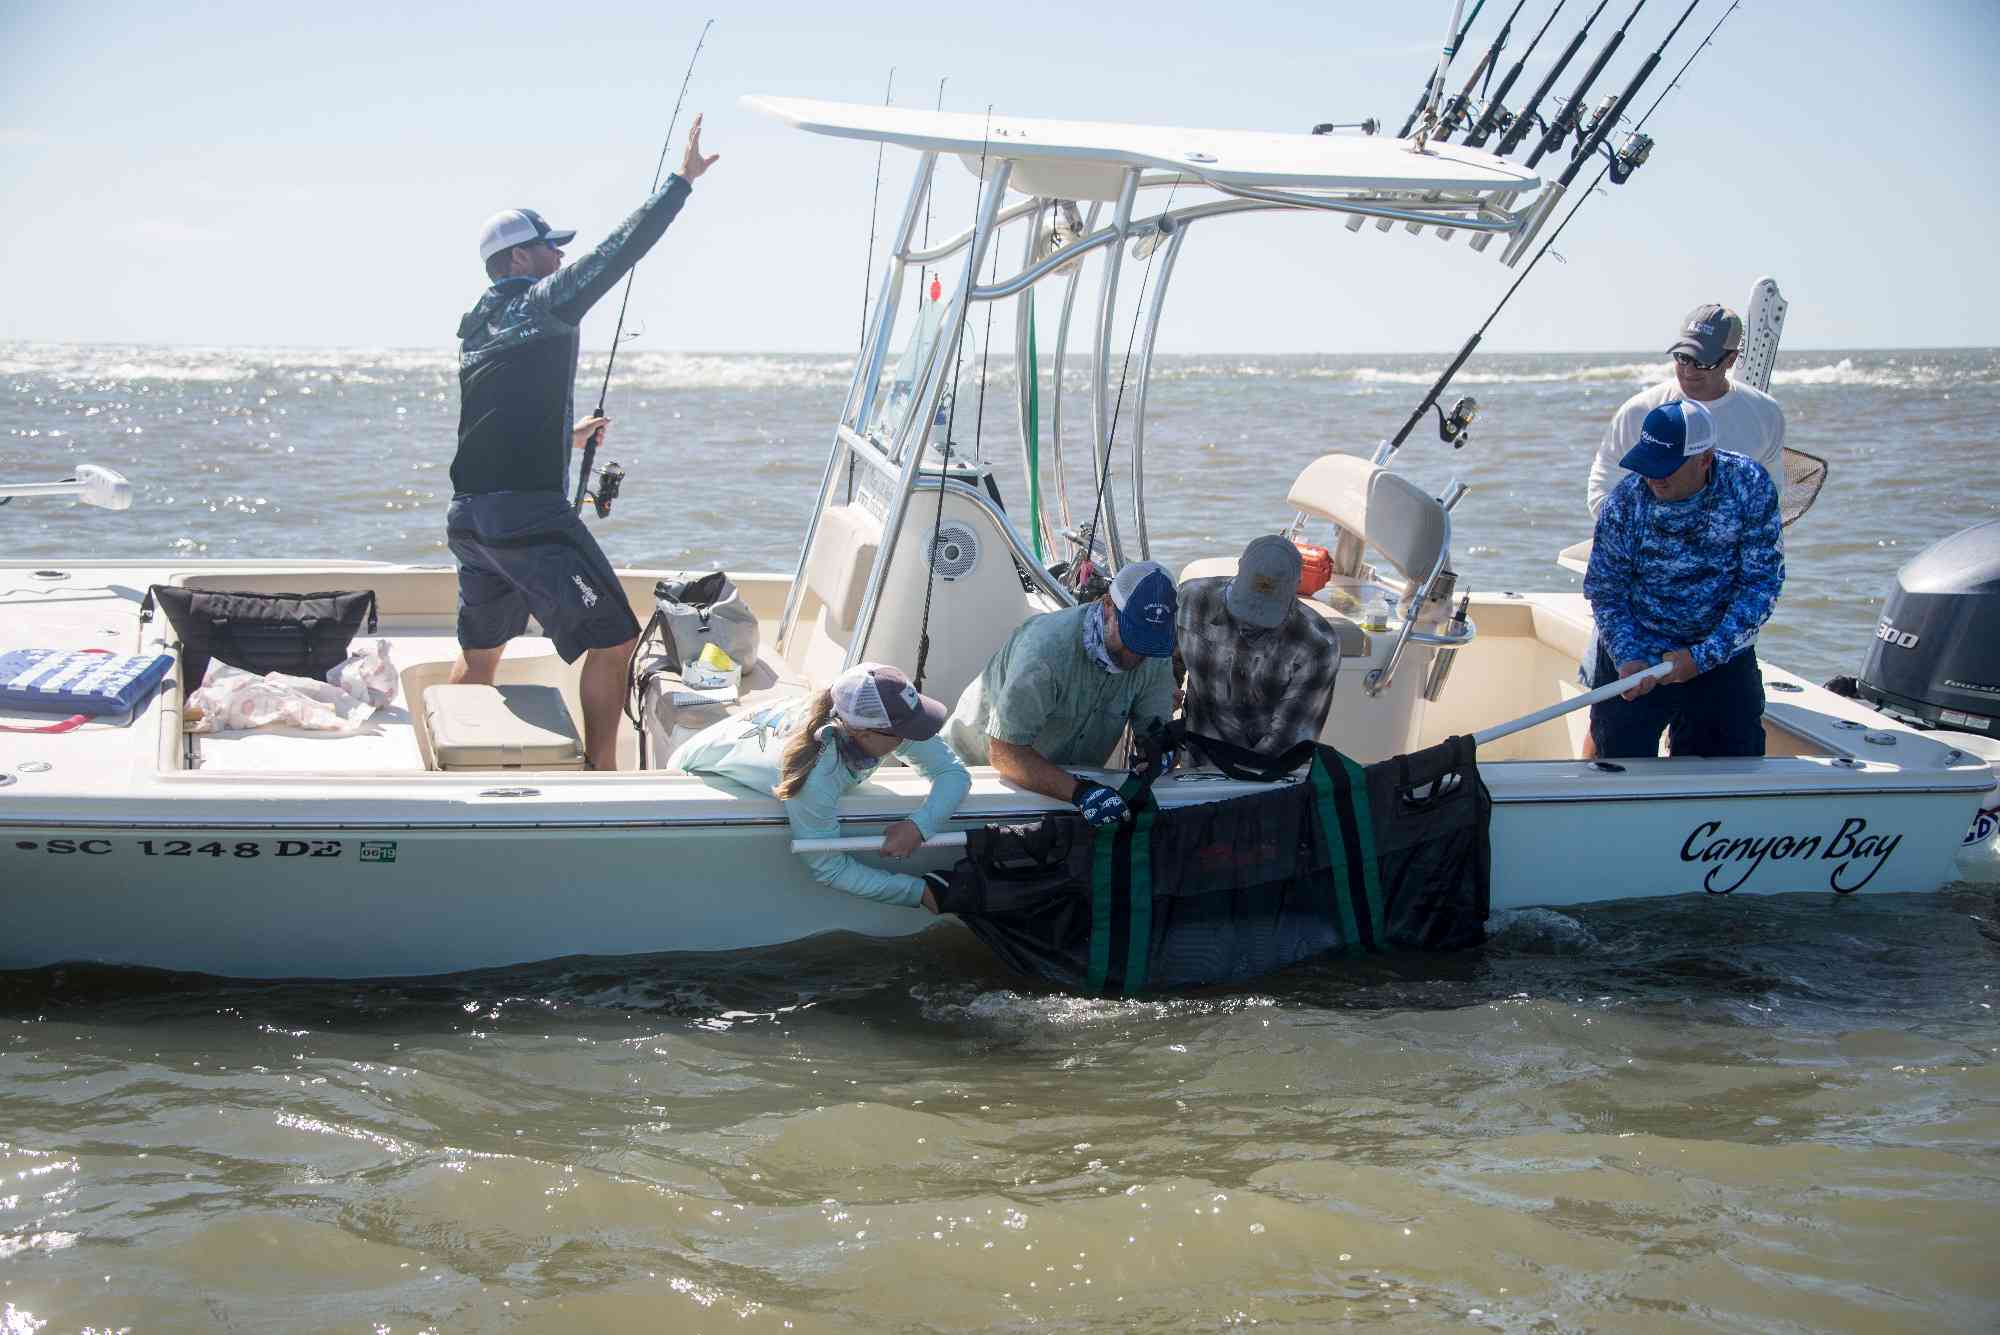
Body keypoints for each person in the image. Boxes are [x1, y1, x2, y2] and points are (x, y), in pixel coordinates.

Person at [446, 117, 720, 771]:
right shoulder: (540, 304)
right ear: (519, 260)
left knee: (479, 657)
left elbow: (490, 418)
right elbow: (616, 255)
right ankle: (603, 774)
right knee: (617, 637)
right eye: (549, 250)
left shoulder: (474, 328)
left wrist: (560, 438)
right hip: (526, 520)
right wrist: (680, 184)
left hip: (471, 522)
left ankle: (451, 764)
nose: (561, 260)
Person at [671, 663, 968, 912]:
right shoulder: (816, 774)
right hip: (690, 774)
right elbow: (828, 866)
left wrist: (920, 826)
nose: (914, 736)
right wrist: (919, 892)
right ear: (864, 732)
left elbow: (952, 773)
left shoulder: (869, 696)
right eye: (905, 731)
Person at [1583, 398, 1785, 759]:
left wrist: (1703, 656)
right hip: (1637, 655)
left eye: (1668, 467)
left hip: (1720, 655)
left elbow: (1761, 584)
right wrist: (1628, 657)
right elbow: (1606, 592)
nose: (1654, 477)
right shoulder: (1624, 505)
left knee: (1730, 777)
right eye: (1648, 465)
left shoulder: (1750, 486)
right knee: (1615, 770)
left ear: (1704, 459)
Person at [945, 561, 1178, 828]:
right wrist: (1081, 793)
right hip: (975, 773)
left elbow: (1156, 734)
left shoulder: (1155, 655)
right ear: (1107, 605)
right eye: (1132, 637)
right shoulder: (1045, 653)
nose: (1137, 654)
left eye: (1150, 642)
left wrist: (1162, 753)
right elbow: (1004, 753)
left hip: (1068, 782)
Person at [1587, 303, 1786, 520]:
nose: (1689, 369)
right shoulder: (1639, 411)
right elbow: (1602, 487)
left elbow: (1770, 491)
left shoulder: (1766, 413)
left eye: (1703, 361)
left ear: (1731, 360)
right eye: (1683, 357)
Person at [1175, 535, 1341, 760]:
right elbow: (1164, 667)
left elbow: (1287, 745)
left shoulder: (1318, 646)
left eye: (1265, 613)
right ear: (1238, 570)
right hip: (1196, 754)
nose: (1249, 623)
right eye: (1245, 606)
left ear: (1298, 587)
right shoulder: (1188, 599)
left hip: (1267, 775)